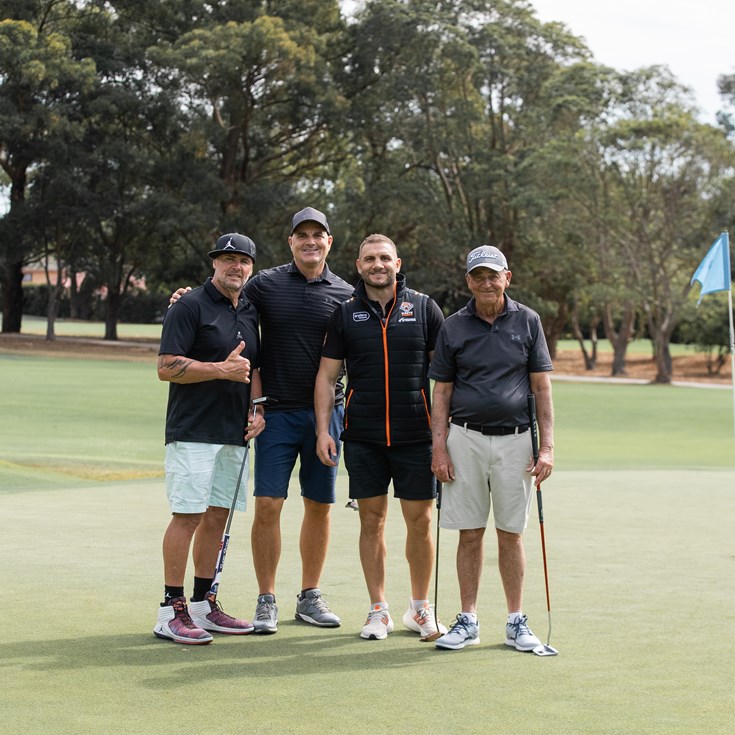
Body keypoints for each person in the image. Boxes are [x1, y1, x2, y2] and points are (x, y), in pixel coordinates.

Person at [170, 207, 353, 633]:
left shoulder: (346, 292)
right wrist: (185, 298)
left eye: (318, 235)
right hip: (274, 412)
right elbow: (221, 298)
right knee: (268, 505)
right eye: (301, 235)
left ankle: (310, 596)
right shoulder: (265, 284)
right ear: (290, 242)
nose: (310, 241)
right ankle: (266, 598)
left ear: (329, 242)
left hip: (326, 415)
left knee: (319, 506)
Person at [314, 234, 448, 640]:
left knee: (421, 521)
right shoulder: (345, 313)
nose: (378, 265)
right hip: (364, 437)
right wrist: (324, 429)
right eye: (370, 258)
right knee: (371, 521)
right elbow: (326, 376)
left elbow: (444, 379)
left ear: (397, 262)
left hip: (415, 436)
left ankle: (420, 609)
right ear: (358, 266)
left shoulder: (424, 309)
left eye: (384, 258)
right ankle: (378, 610)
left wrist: (442, 436)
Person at [429, 245, 554, 652]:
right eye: (478, 275)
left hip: (518, 439)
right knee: (469, 533)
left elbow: (541, 387)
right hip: (464, 437)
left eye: (493, 275)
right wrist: (439, 448)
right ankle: (468, 619)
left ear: (507, 277)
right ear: (468, 281)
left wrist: (547, 446)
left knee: (511, 533)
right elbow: (442, 392)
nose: (486, 282)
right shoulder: (453, 326)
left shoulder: (528, 321)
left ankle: (516, 621)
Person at [154, 233, 265, 645]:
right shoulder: (188, 306)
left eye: (243, 261)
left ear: (251, 267)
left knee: (218, 516)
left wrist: (258, 409)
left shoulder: (251, 310)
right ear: (214, 263)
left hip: (234, 431)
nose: (235, 266)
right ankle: (170, 608)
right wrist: (220, 370)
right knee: (188, 515)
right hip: (192, 430)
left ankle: (203, 603)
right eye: (227, 259)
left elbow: (253, 369)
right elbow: (166, 367)